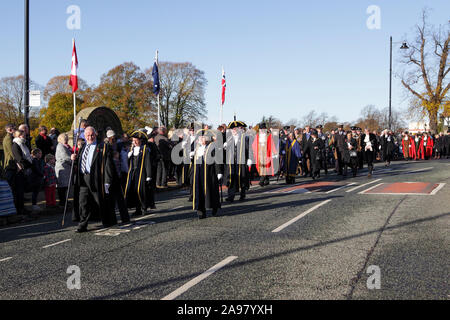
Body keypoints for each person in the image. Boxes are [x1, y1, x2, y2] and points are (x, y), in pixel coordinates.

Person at [71, 126, 117, 232]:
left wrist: (107, 181)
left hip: (96, 178)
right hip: (83, 178)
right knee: (83, 202)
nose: (90, 137)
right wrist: (74, 158)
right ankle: (83, 224)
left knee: (100, 201)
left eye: (92, 135)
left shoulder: (102, 147)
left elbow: (108, 165)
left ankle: (107, 222)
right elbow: (80, 161)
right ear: (84, 136)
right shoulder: (82, 147)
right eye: (88, 135)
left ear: (95, 135)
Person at [191, 131, 221, 219]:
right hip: (199, 172)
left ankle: (214, 207)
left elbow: (217, 160)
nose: (200, 139)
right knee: (198, 191)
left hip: (209, 172)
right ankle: (200, 211)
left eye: (202, 137)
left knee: (211, 190)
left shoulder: (212, 147)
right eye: (199, 138)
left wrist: (219, 172)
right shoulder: (198, 147)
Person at [124, 131, 154, 216]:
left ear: (140, 140)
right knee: (134, 191)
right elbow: (128, 163)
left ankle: (144, 207)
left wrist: (149, 175)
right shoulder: (131, 149)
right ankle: (137, 209)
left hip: (142, 173)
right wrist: (128, 157)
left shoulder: (145, 149)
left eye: (136, 140)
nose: (134, 142)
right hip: (133, 173)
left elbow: (148, 163)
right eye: (133, 140)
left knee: (141, 191)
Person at [224, 121, 250, 202]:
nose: (233, 130)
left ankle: (242, 194)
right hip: (231, 162)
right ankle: (231, 196)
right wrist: (224, 147)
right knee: (231, 178)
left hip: (241, 161)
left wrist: (249, 158)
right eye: (232, 129)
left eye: (235, 129)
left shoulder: (244, 138)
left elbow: (249, 149)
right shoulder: (229, 138)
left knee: (242, 178)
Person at [55, 133, 72, 207]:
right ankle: (62, 202)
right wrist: (73, 160)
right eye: (65, 138)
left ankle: (64, 201)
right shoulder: (61, 146)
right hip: (62, 168)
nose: (66, 139)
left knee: (65, 187)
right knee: (62, 187)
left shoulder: (65, 146)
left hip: (66, 168)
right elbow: (66, 157)